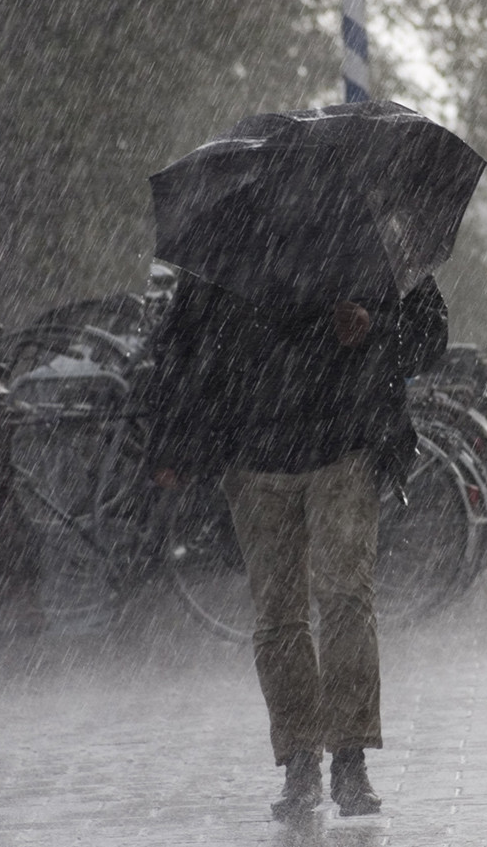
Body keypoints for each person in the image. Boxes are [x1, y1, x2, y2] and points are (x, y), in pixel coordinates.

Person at [146, 270, 447, 820]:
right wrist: (172, 443)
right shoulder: (228, 241)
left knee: (345, 601)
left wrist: (374, 327)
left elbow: (428, 338)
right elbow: (183, 344)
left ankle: (349, 760)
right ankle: (300, 762)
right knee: (279, 615)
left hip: (345, 445)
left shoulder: (369, 231)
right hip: (253, 454)